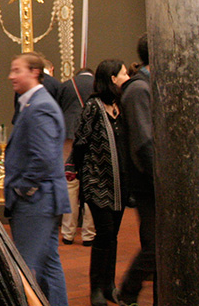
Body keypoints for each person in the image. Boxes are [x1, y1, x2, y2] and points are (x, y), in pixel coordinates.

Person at [4, 52, 71, 306]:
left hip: (36, 202)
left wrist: (23, 189)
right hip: (41, 200)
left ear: (34, 72)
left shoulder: (40, 106)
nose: (11, 76)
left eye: (17, 70)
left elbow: (43, 157)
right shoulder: (33, 103)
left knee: (25, 268)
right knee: (48, 265)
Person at [72, 59, 130, 306]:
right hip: (98, 183)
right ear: (112, 78)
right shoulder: (93, 107)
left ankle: (109, 286)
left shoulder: (121, 105)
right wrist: (80, 173)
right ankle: (96, 288)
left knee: (113, 235)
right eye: (124, 74)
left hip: (120, 183)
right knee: (104, 234)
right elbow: (81, 141)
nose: (128, 78)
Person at [115, 35, 155, 306]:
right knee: (155, 247)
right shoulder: (140, 89)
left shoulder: (145, 86)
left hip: (150, 180)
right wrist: (160, 178)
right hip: (148, 182)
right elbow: (144, 143)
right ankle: (128, 291)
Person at [54, 67, 96, 246]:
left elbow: (58, 110)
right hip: (92, 138)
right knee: (91, 183)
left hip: (70, 137)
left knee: (70, 183)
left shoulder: (66, 85)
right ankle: (89, 234)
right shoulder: (97, 85)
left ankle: (68, 232)